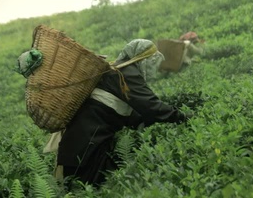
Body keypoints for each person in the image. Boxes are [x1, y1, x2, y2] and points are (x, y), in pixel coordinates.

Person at [52, 39, 191, 187]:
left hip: (86, 140)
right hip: (88, 141)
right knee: (92, 186)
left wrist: (147, 122)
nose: (153, 66)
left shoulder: (118, 70)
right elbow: (150, 105)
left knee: (91, 186)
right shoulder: (127, 72)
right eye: (151, 61)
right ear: (141, 58)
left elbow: (129, 114)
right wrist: (182, 117)